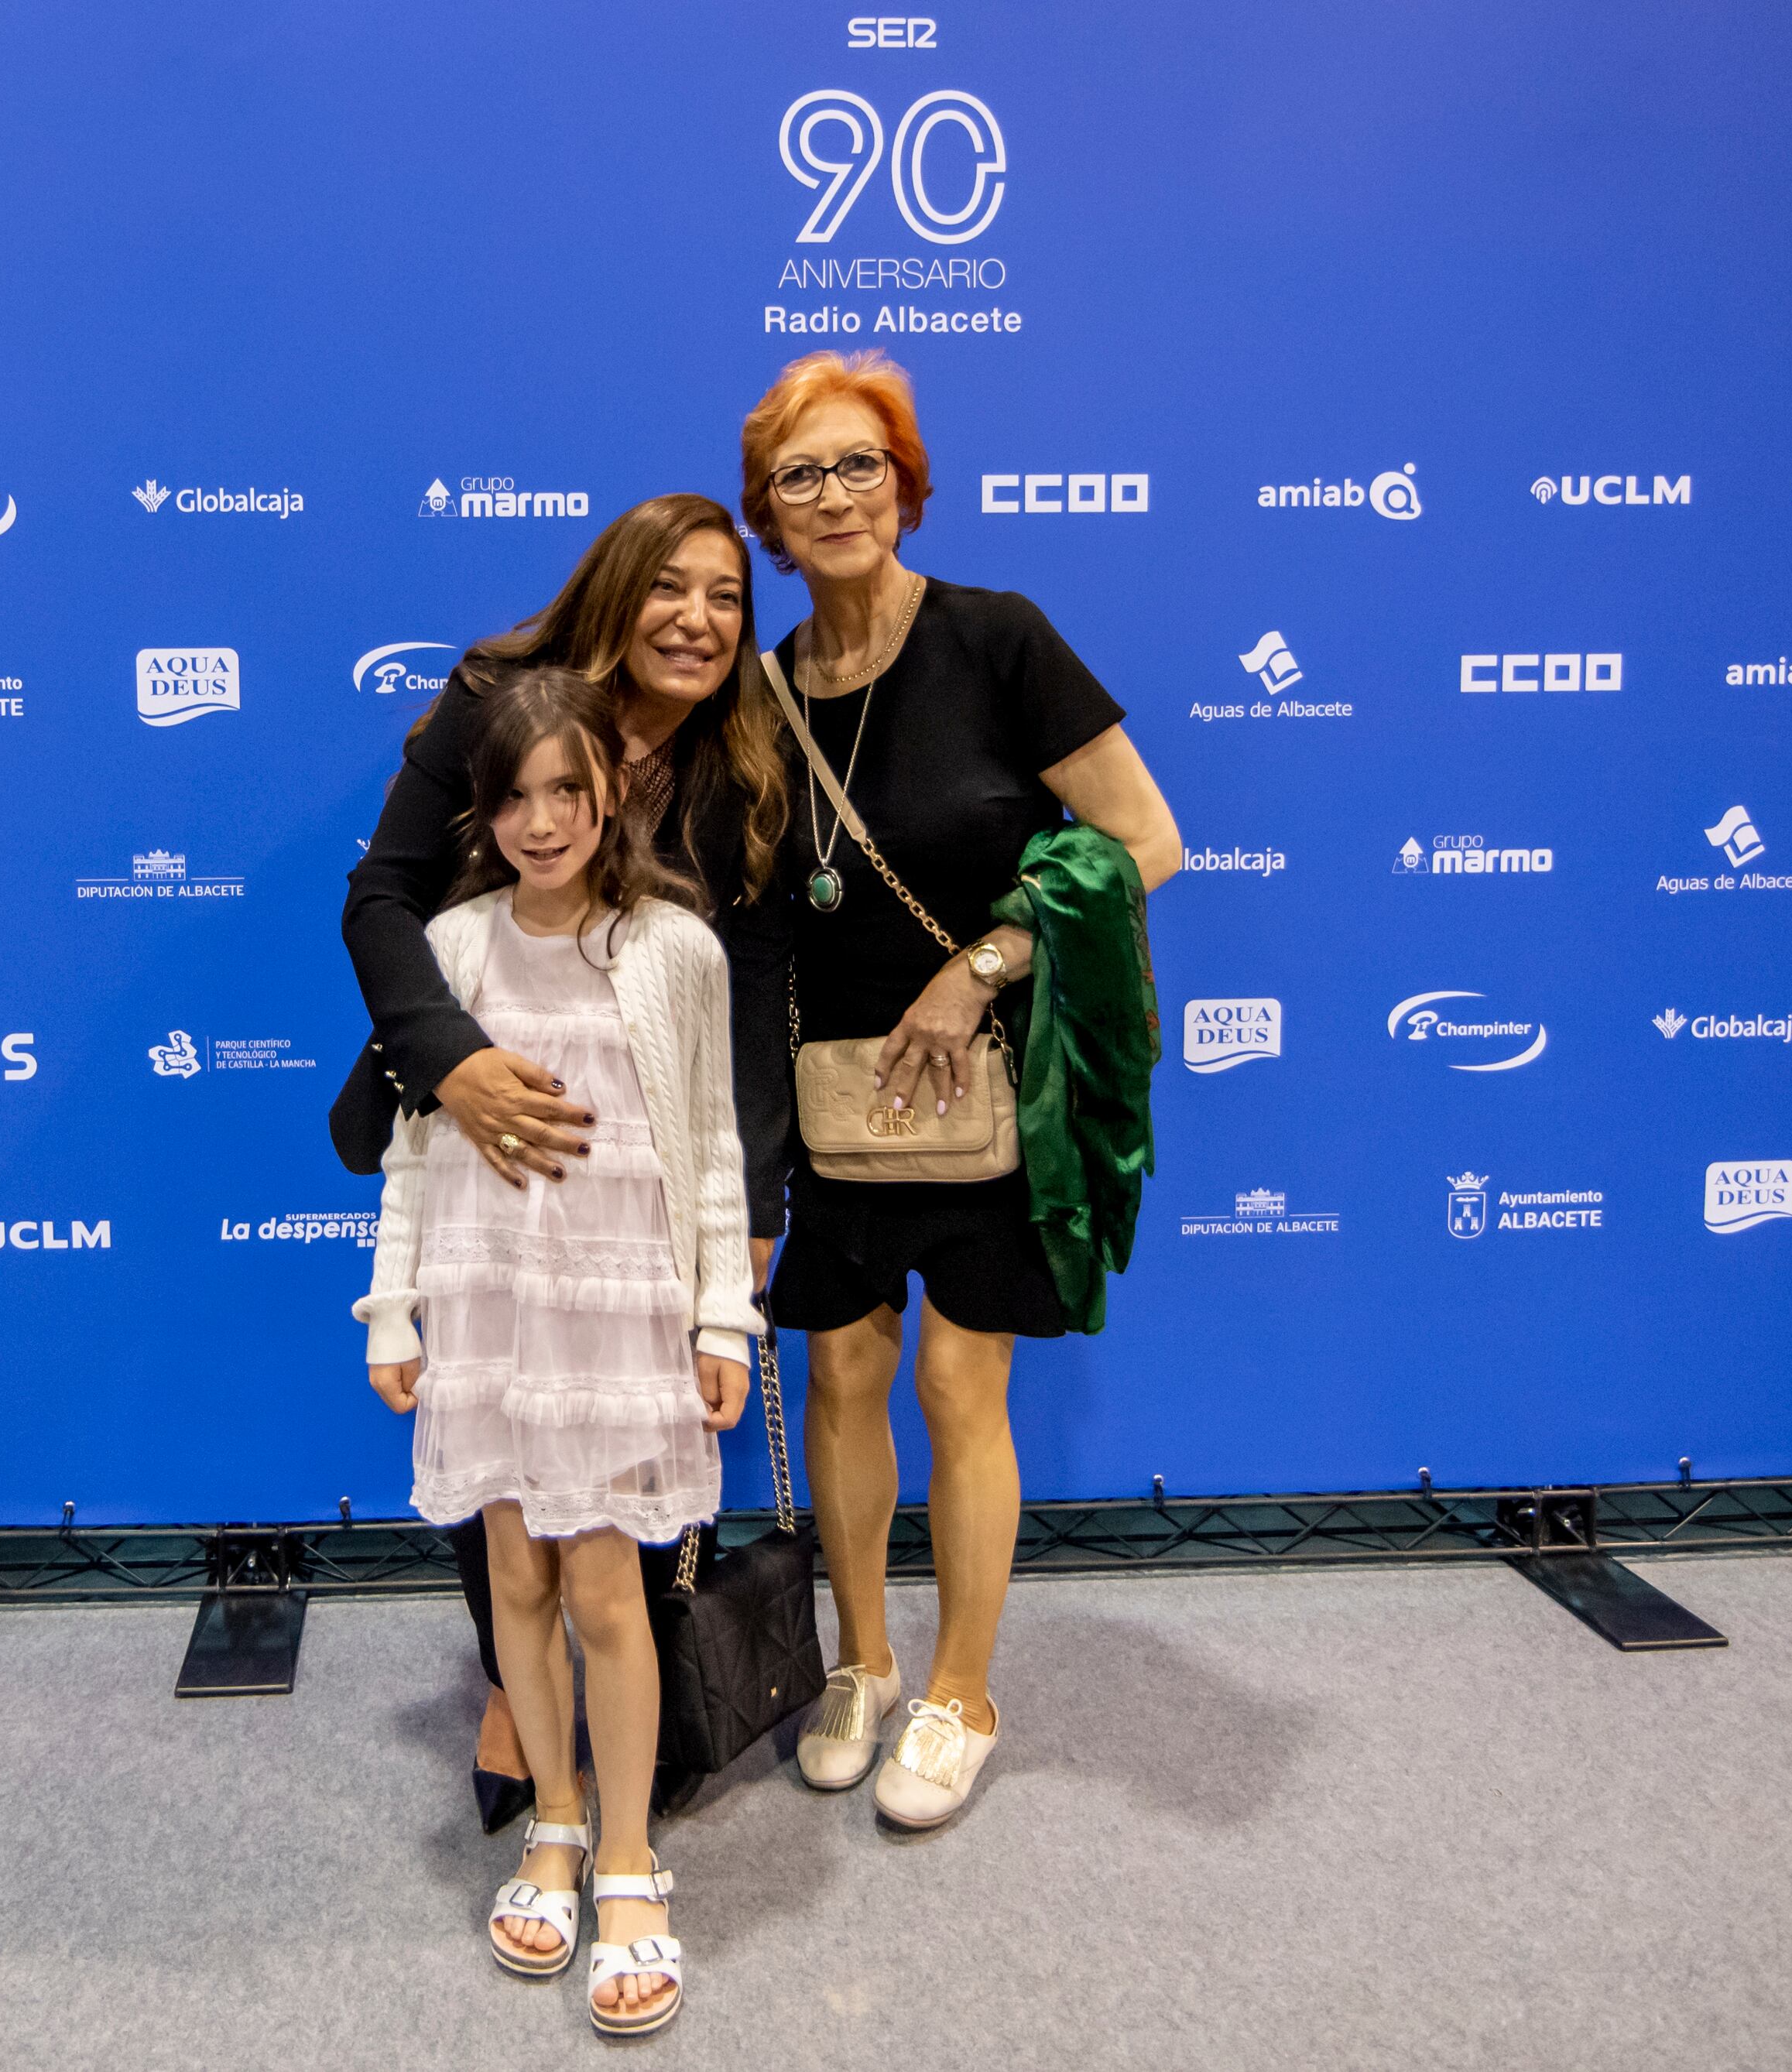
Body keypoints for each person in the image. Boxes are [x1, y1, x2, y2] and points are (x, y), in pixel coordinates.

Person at [742, 349, 1184, 1829]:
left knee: (955, 1381)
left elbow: (1143, 837)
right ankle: (859, 1663)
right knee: (846, 1375)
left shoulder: (1000, 641)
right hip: (835, 1105)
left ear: (906, 485)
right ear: (768, 514)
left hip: (987, 1089)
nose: (834, 495)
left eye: (859, 463)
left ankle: (964, 1689)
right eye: (801, 475)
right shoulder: (761, 695)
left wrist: (983, 961)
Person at [334, 495, 789, 1830]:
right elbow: (380, 897)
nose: (696, 621)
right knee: (498, 1425)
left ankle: (616, 1714)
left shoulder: (741, 757)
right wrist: (450, 1060)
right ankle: (517, 1697)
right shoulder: (496, 700)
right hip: (475, 1131)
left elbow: (734, 1021)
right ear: (612, 591)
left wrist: (743, 1222)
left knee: (613, 1446)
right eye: (668, 589)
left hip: (636, 1181)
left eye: (724, 597)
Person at [358, 670, 759, 2036]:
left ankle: (635, 1859)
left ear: (609, 798)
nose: (540, 821)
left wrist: (720, 1319)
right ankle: (559, 1821)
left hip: (618, 1306)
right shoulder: (455, 946)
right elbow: (414, 1147)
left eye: (566, 794)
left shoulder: (674, 948)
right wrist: (394, 1307)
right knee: (514, 1575)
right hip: (487, 1300)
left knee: (608, 1588)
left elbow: (711, 1147)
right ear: (484, 811)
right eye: (514, 797)